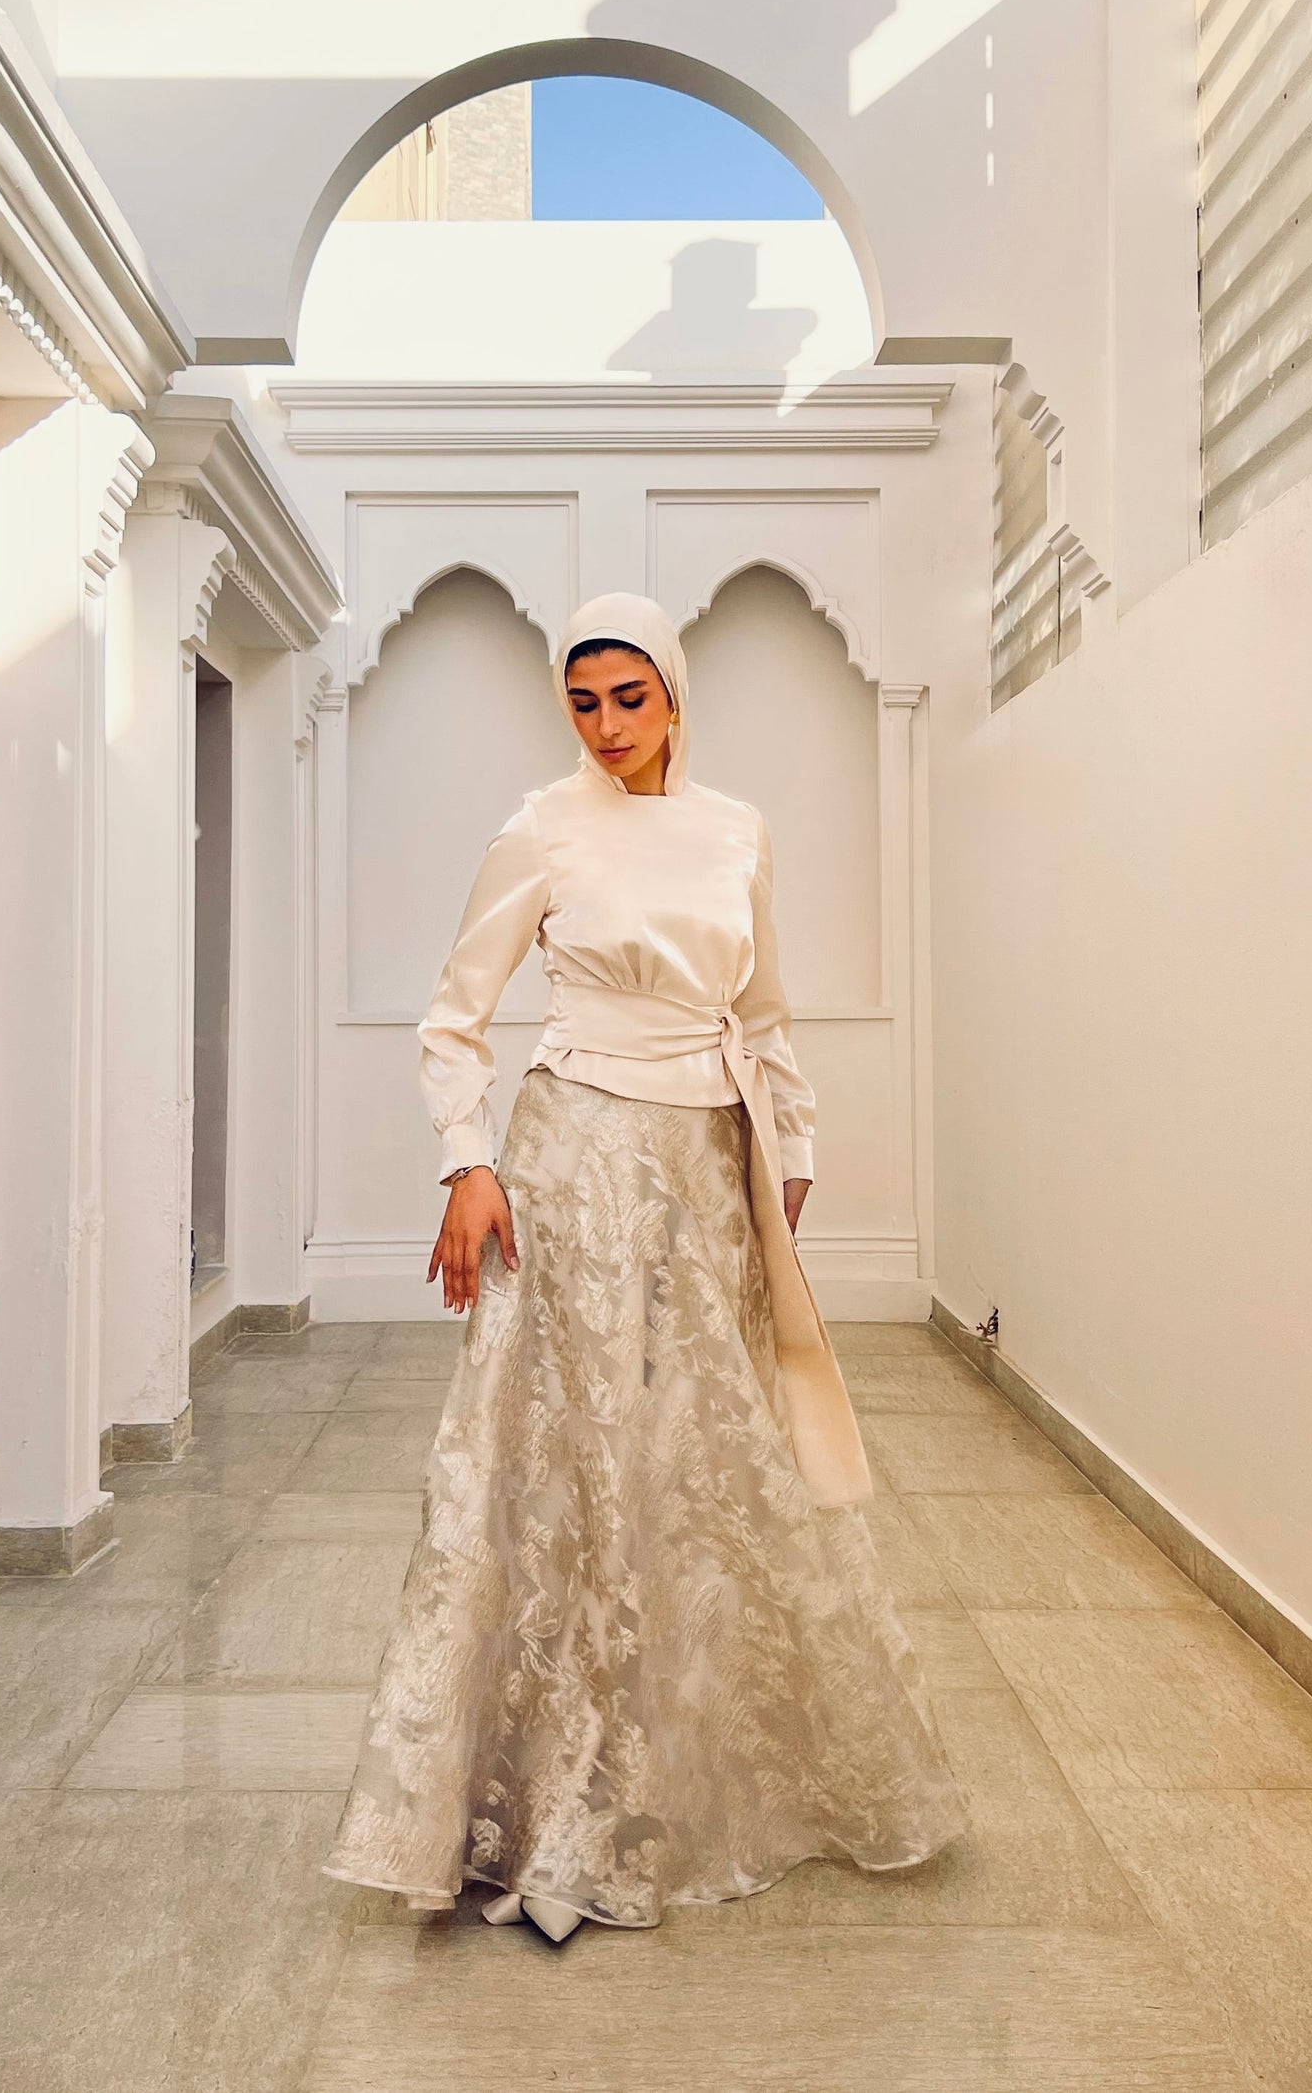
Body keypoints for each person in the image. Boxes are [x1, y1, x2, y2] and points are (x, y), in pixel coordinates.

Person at [325, 592, 963, 1939]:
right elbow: (454, 1016)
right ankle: (557, 1787)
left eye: (630, 698)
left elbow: (762, 1009)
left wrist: (789, 1145)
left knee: (709, 1451)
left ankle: (698, 1763)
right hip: (577, 1157)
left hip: (713, 1159)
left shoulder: (736, 830)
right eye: (583, 703)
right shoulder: (540, 827)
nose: (608, 726)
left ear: (673, 696)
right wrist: (468, 1163)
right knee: (580, 1456)